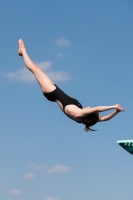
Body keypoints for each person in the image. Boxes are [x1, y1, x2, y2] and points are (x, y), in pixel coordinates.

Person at [18, 39, 124, 131]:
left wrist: (113, 106)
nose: (89, 107)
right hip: (54, 89)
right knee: (36, 70)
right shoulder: (83, 117)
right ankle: (22, 52)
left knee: (35, 69)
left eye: (90, 109)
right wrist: (116, 112)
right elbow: (105, 119)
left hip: (51, 92)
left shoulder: (79, 114)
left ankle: (22, 51)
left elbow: (97, 109)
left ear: (89, 113)